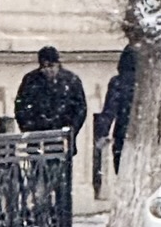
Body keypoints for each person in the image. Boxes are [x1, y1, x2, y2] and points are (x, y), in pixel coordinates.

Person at [15, 46, 88, 152]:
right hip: (37, 138)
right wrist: (29, 127)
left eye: (50, 66)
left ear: (58, 64)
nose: (47, 70)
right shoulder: (31, 80)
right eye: (43, 67)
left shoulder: (71, 81)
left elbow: (80, 109)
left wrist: (71, 129)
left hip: (62, 139)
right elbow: (20, 106)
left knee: (59, 165)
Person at [94, 44, 138, 173]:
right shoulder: (147, 82)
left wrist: (102, 133)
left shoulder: (118, 82)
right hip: (142, 133)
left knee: (123, 172)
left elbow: (110, 110)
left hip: (123, 134)